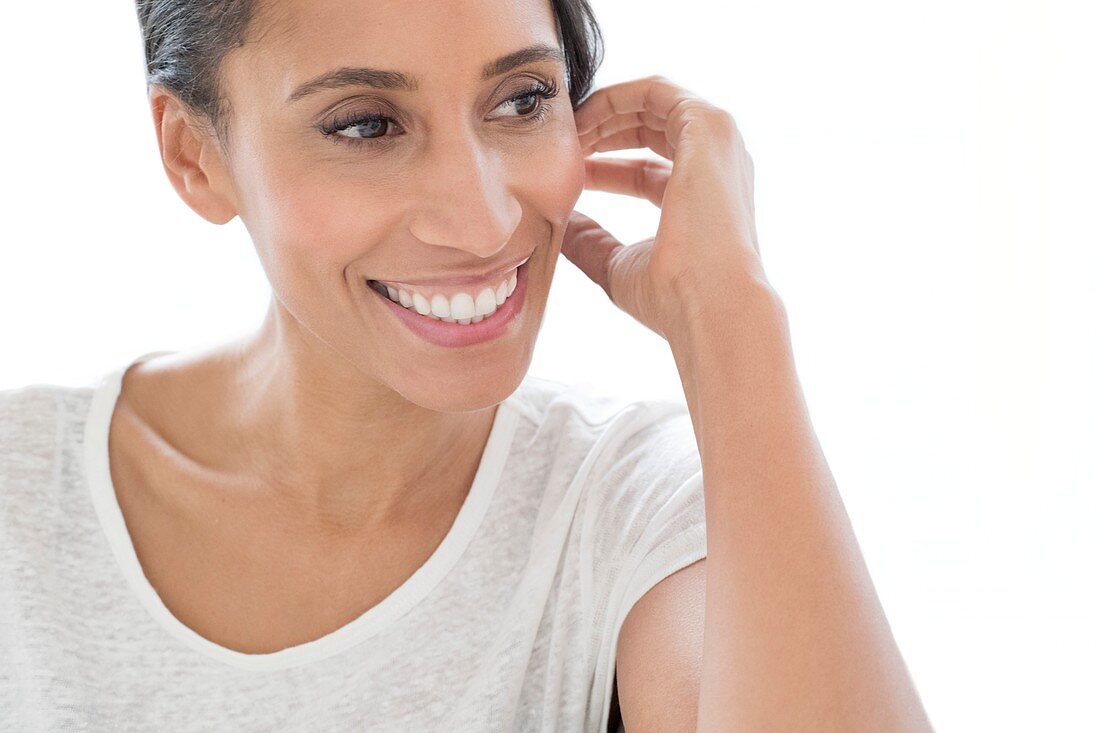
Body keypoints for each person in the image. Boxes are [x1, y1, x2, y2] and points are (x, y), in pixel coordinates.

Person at [0, 0, 934, 731]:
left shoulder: (632, 506)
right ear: (195, 155)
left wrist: (735, 327)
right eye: (366, 124)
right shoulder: (20, 489)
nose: (484, 221)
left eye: (524, 101)